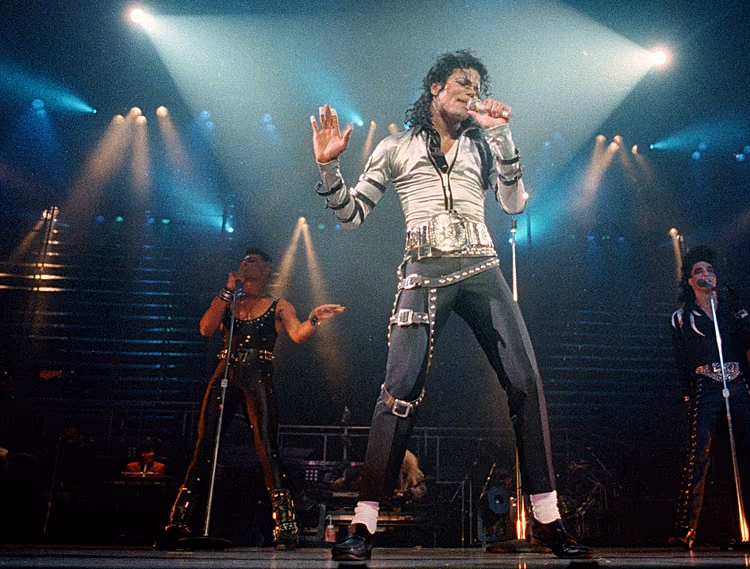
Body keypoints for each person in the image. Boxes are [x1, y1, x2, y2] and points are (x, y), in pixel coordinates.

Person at [310, 49, 590, 561]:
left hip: (481, 267)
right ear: (436, 87)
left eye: (478, 86)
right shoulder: (395, 147)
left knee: (525, 382)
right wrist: (329, 167)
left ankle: (549, 518)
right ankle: (363, 525)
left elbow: (514, 204)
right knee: (398, 392)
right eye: (463, 82)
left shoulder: (483, 144)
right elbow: (352, 215)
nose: (472, 91)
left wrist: (503, 137)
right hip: (423, 268)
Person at [158, 248, 345, 550]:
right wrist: (226, 292)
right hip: (225, 370)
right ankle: (178, 521)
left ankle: (284, 524)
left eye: (254, 261)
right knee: (205, 444)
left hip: (257, 374)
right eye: (244, 261)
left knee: (266, 447)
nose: (247, 265)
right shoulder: (228, 301)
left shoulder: (279, 305)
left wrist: (314, 318)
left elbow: (297, 334)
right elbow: (206, 329)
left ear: (267, 269)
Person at [668, 245, 750, 548]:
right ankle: (686, 529)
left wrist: (739, 310)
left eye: (710, 271)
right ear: (690, 280)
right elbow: (681, 359)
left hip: (738, 384)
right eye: (698, 271)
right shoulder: (682, 317)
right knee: (698, 454)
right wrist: (687, 394)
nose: (705, 275)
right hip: (706, 384)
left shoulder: (729, 311)